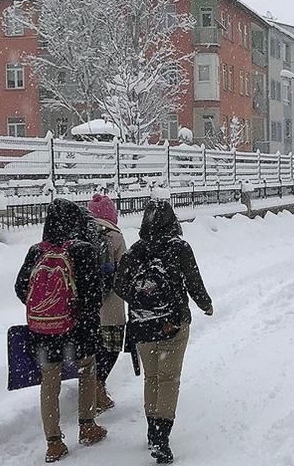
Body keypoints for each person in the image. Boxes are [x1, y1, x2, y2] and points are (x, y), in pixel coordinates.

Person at [115, 199, 213, 464]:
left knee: (152, 378)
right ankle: (161, 437)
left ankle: (151, 430)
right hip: (173, 323)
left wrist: (140, 299)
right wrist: (206, 304)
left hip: (143, 324)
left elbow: (119, 284)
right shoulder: (179, 247)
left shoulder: (136, 251)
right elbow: (193, 281)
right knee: (169, 380)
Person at [14, 199, 107, 463]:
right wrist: (80, 318)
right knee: (87, 371)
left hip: (43, 331)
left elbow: (21, 287)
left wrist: (46, 308)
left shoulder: (36, 251)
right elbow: (93, 294)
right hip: (77, 329)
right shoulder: (82, 250)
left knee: (49, 383)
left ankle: (53, 443)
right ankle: (87, 426)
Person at [86, 193, 128, 413]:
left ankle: (91, 386)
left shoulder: (81, 233)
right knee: (110, 347)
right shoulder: (115, 236)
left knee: (91, 348)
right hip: (111, 304)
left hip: (87, 305)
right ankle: (99, 385)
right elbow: (125, 270)